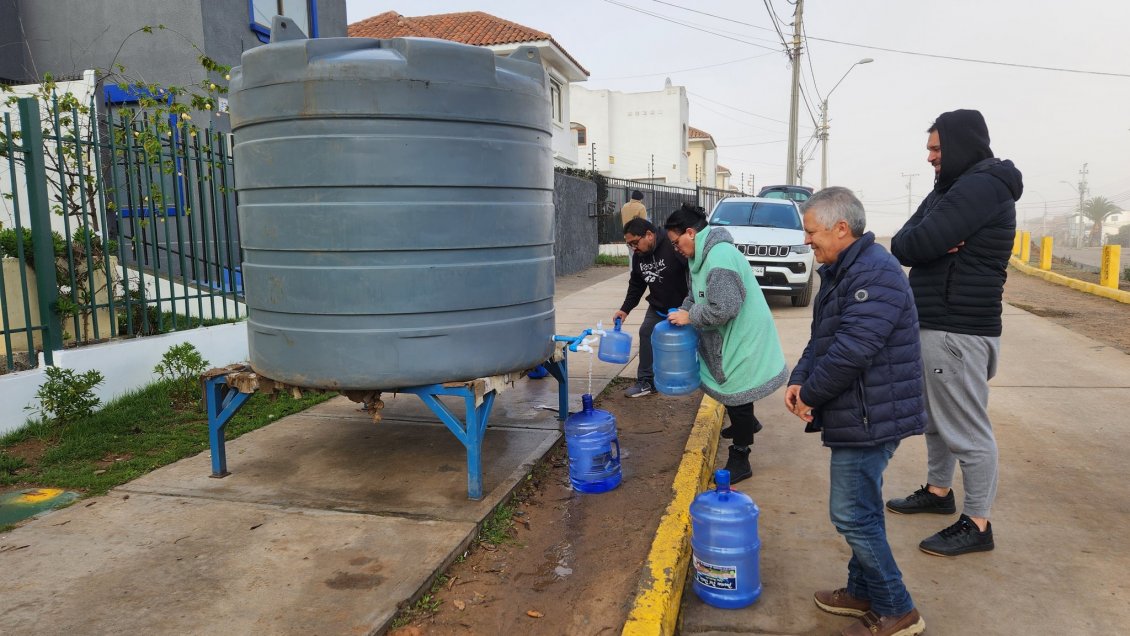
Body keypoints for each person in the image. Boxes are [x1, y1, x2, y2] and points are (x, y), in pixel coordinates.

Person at [785, 187, 927, 636]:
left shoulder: (874, 274)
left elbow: (851, 352)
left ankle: (896, 606)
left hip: (872, 415)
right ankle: (861, 590)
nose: (807, 241)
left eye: (811, 232)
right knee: (862, 507)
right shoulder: (842, 270)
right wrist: (798, 378)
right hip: (860, 409)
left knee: (851, 513)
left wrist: (811, 395)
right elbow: (823, 339)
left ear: (840, 228)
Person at [886, 109, 1022, 557]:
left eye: (936, 148)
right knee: (936, 420)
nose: (929, 158)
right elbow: (905, 241)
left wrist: (928, 241)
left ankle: (978, 523)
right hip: (941, 322)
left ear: (961, 146)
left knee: (967, 429)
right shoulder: (953, 188)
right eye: (928, 148)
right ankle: (939, 492)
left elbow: (918, 244)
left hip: (957, 329)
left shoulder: (981, 187)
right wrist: (925, 240)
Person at [663, 202, 786, 483]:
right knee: (733, 387)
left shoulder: (719, 259)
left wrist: (689, 316)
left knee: (736, 387)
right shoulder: (701, 258)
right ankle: (747, 423)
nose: (676, 248)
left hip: (743, 334)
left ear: (691, 233)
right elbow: (697, 295)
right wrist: (682, 310)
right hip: (731, 334)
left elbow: (723, 308)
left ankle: (741, 456)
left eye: (676, 242)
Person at [614, 217, 689, 398]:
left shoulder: (673, 245)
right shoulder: (639, 257)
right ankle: (646, 382)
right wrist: (625, 309)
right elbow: (637, 285)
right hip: (658, 306)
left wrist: (690, 307)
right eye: (629, 245)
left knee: (693, 342)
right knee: (646, 332)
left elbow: (693, 274)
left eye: (634, 242)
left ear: (649, 235)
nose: (633, 248)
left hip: (684, 307)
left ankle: (699, 378)